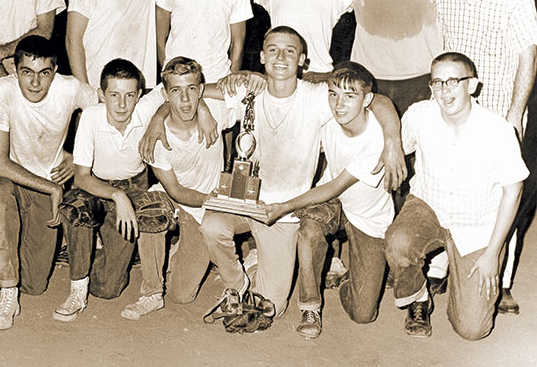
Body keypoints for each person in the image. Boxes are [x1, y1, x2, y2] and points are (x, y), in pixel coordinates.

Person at [198, 26, 405, 326]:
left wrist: (393, 139)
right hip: (246, 201)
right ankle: (237, 284)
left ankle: (262, 268)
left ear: (303, 61)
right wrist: (199, 108)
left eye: (290, 51)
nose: (280, 57)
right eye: (273, 50)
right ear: (262, 57)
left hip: (285, 213)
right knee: (211, 225)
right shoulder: (248, 91)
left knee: (271, 307)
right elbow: (188, 90)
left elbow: (378, 100)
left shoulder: (319, 97)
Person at [385, 52, 527, 340]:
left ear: (472, 85)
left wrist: (491, 254)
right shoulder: (420, 114)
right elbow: (398, 141)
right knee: (397, 243)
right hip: (429, 206)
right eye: (437, 82)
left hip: (476, 224)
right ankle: (419, 298)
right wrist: (391, 143)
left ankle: (463, 291)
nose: (444, 90)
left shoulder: (498, 130)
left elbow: (514, 191)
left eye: (453, 81)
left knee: (472, 329)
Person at [434, 0, 537, 314]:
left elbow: (527, 55)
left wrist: (514, 113)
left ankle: (504, 281)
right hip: (455, 109)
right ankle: (442, 266)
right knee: (448, 184)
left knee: (501, 196)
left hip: (498, 111)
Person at [0, 36, 97, 330]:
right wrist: (54, 188)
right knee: (0, 199)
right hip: (9, 176)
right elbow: (0, 162)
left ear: (54, 71)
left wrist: (76, 154)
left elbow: (101, 115)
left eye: (44, 73)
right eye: (27, 72)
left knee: (35, 282)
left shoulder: (70, 88)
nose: (35, 82)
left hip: (44, 177)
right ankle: (7, 297)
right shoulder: (3, 89)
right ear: (16, 71)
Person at [264, 61, 393, 339]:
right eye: (333, 94)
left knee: (363, 314)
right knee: (309, 229)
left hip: (366, 216)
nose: (339, 104)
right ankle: (310, 306)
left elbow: (336, 186)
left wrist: (287, 205)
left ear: (367, 100)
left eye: (350, 96)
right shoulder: (327, 121)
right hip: (335, 203)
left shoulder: (377, 137)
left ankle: (349, 276)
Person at [54, 60, 175, 322]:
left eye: (129, 95)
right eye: (114, 95)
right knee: (75, 209)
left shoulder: (145, 109)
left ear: (139, 95)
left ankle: (91, 250)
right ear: (101, 95)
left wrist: (159, 115)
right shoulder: (91, 117)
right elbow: (82, 177)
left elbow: (179, 88)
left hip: (133, 187)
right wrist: (117, 196)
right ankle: (77, 289)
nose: (122, 104)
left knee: (108, 289)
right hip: (97, 188)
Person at [130, 57, 238, 317]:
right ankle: (152, 292)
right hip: (179, 200)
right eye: (176, 91)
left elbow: (251, 90)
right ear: (165, 95)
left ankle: (182, 253)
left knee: (181, 295)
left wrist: (203, 105)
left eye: (191, 89)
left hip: (202, 213)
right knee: (151, 210)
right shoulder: (157, 136)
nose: (185, 100)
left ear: (201, 90)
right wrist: (159, 115)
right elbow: (176, 190)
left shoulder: (214, 112)